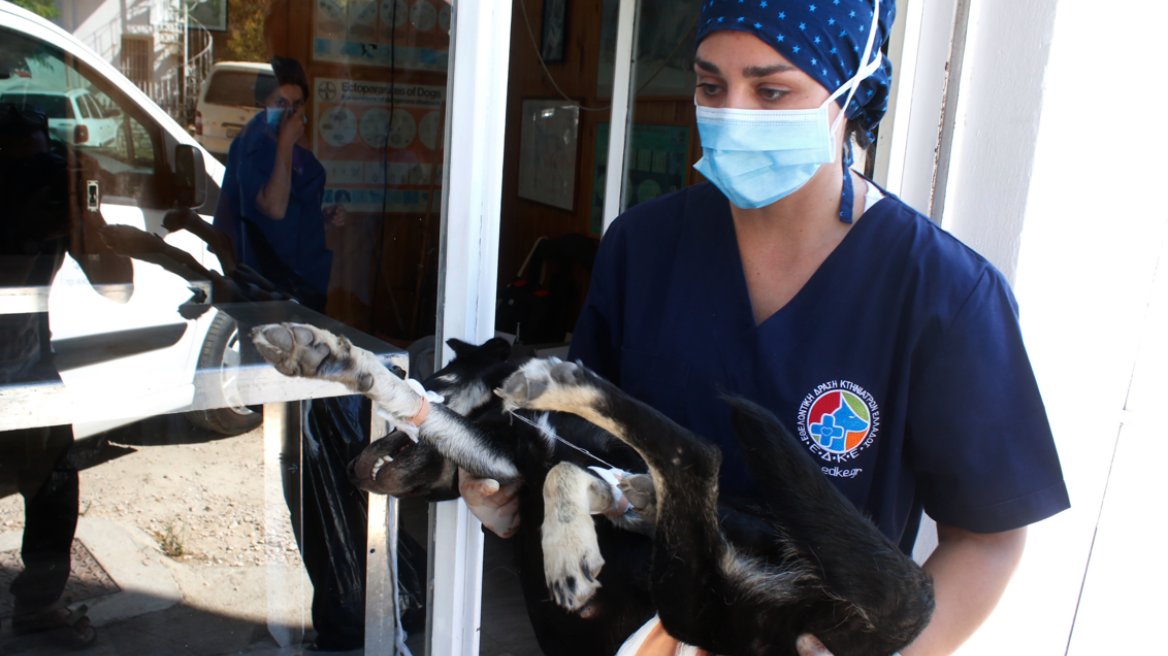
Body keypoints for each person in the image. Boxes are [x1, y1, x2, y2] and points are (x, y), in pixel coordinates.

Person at [464, 1, 1070, 655]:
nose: (733, 115)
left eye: (772, 89)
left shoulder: (942, 293)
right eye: (710, 85)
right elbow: (582, 443)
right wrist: (508, 492)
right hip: (635, 634)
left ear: (850, 90)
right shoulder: (643, 248)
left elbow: (988, 536)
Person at [214, 56, 366, 653]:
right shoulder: (261, 146)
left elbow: (292, 213)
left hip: (309, 303)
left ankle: (341, 602)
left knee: (323, 450)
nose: (292, 114)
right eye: (280, 103)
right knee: (302, 455)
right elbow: (270, 208)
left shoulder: (296, 154)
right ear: (262, 107)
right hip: (272, 309)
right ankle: (335, 607)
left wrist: (323, 216)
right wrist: (282, 141)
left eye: (298, 104)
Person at [0, 100, 133, 649]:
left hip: (30, 365)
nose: (38, 176)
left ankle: (38, 607)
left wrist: (89, 219)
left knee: (55, 489)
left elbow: (115, 285)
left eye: (43, 163)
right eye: (21, 167)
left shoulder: (54, 204)